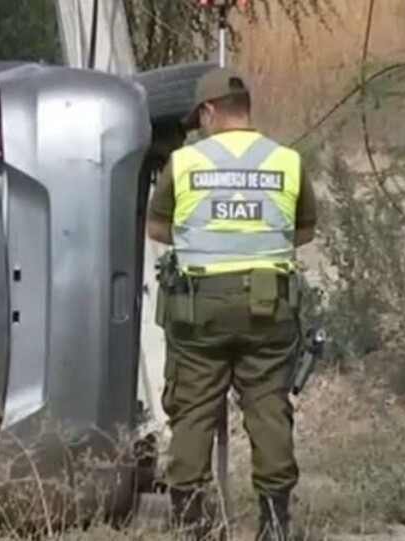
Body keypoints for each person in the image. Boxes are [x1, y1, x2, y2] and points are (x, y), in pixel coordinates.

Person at [145, 67, 318, 541]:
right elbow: (303, 231)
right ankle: (275, 524)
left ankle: (191, 524)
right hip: (269, 303)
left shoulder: (185, 163)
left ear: (207, 112)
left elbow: (157, 229)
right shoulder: (285, 160)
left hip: (200, 308)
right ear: (246, 111)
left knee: (193, 408)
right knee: (268, 406)